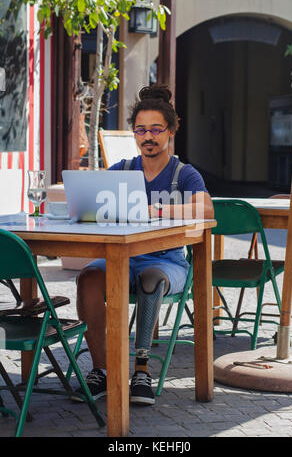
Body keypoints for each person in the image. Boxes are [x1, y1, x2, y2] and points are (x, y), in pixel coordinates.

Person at [73, 83, 214, 406]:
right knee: (89, 278)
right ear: (133, 134)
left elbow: (207, 210)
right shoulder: (122, 170)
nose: (147, 137)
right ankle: (102, 371)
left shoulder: (184, 174)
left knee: (150, 277)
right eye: (140, 130)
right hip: (121, 258)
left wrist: (157, 209)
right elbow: (93, 204)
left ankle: (141, 371)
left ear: (170, 132)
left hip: (167, 263)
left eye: (155, 130)